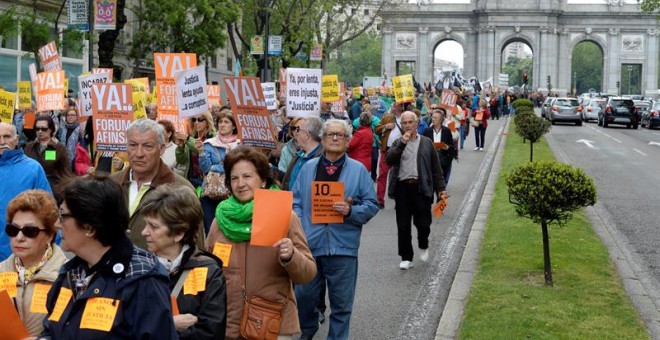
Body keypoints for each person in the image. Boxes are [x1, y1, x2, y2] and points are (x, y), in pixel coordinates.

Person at [41, 175, 178, 338]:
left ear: (89, 227)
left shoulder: (142, 281)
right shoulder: (71, 273)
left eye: (63, 216)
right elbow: (51, 328)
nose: (57, 224)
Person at [206, 146, 317, 339]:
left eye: (247, 176)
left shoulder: (283, 216)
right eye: (234, 178)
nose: (240, 184)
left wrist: (291, 256)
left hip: (273, 325)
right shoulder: (219, 221)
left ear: (263, 180)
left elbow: (307, 274)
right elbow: (206, 271)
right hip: (227, 327)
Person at [293, 119, 379, 340]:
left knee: (341, 306)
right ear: (322, 139)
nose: (334, 138)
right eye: (330, 134)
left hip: (343, 249)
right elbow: (296, 202)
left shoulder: (358, 170)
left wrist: (351, 211)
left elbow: (371, 205)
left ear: (347, 141)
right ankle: (307, 331)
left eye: (340, 135)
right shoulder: (308, 168)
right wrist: (301, 226)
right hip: (310, 247)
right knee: (303, 299)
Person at [140, 185, 227, 340]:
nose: (144, 232)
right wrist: (168, 324)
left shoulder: (209, 271)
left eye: (153, 226)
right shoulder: (138, 268)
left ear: (179, 233)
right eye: (146, 224)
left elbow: (211, 333)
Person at [110, 119, 205, 250]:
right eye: (133, 145)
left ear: (161, 149)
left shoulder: (181, 189)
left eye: (148, 146)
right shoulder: (111, 184)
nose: (139, 154)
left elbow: (196, 249)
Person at [0, 190, 67, 336]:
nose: (19, 237)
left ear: (49, 235)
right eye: (13, 229)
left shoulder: (68, 277)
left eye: (29, 231)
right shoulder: (1, 272)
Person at [386, 111, 446, 270]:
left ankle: (423, 244)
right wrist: (401, 144)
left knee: (423, 223)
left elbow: (436, 169)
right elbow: (389, 159)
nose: (407, 125)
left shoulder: (426, 142)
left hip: (422, 188)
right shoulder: (398, 142)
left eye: (410, 122)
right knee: (403, 225)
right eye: (404, 123)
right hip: (403, 188)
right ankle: (406, 257)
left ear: (417, 123)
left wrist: (441, 189)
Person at [0, 123, 52, 261]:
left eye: (6, 136)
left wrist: (51, 251)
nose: (2, 142)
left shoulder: (33, 168)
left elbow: (49, 213)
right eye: (38, 128)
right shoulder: (31, 147)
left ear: (16, 139)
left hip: (18, 254)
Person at [199, 111, 240, 234]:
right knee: (210, 229)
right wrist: (201, 152)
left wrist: (215, 167)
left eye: (226, 122)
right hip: (210, 194)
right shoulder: (209, 144)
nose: (222, 125)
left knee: (226, 230)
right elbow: (206, 168)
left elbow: (236, 167)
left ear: (233, 126)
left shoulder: (240, 145)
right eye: (220, 122)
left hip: (231, 194)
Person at [24, 115, 72, 197]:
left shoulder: (59, 148)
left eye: (44, 129)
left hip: (52, 192)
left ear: (51, 130)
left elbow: (66, 173)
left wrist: (62, 192)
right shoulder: (29, 147)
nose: (40, 131)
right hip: (31, 191)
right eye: (37, 129)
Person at [374, 101, 404, 209]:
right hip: (386, 150)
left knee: (400, 177)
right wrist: (386, 126)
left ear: (401, 107)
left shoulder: (407, 118)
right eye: (393, 104)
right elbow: (376, 130)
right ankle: (379, 201)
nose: (393, 106)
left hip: (401, 151)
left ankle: (400, 200)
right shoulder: (387, 117)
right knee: (382, 176)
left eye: (395, 105)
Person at [281, 116, 324, 190]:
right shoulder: (299, 155)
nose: (295, 133)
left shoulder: (322, 159)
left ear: (307, 134)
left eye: (298, 129)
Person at [175, 111, 216, 188]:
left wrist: (187, 139)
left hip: (207, 180)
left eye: (200, 119)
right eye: (194, 120)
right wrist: (181, 148)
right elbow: (182, 161)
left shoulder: (213, 137)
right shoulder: (192, 136)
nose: (196, 123)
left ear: (207, 122)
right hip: (192, 179)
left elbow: (202, 148)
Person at [423, 108, 455, 185]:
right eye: (432, 117)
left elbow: (451, 145)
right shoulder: (427, 130)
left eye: (435, 118)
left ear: (441, 120)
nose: (433, 119)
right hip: (430, 159)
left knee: (441, 182)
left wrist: (447, 147)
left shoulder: (446, 130)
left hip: (442, 159)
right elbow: (423, 145)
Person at [352, 105, 381, 181]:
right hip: (364, 144)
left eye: (369, 110)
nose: (368, 112)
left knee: (374, 160)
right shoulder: (359, 120)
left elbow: (379, 126)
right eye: (366, 110)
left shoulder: (376, 119)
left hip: (374, 143)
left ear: (371, 111)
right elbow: (354, 123)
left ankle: (373, 175)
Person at [57, 105, 83, 171]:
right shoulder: (61, 129)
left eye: (73, 115)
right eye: (68, 115)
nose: (70, 117)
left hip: (75, 162)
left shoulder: (80, 130)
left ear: (77, 117)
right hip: (62, 161)